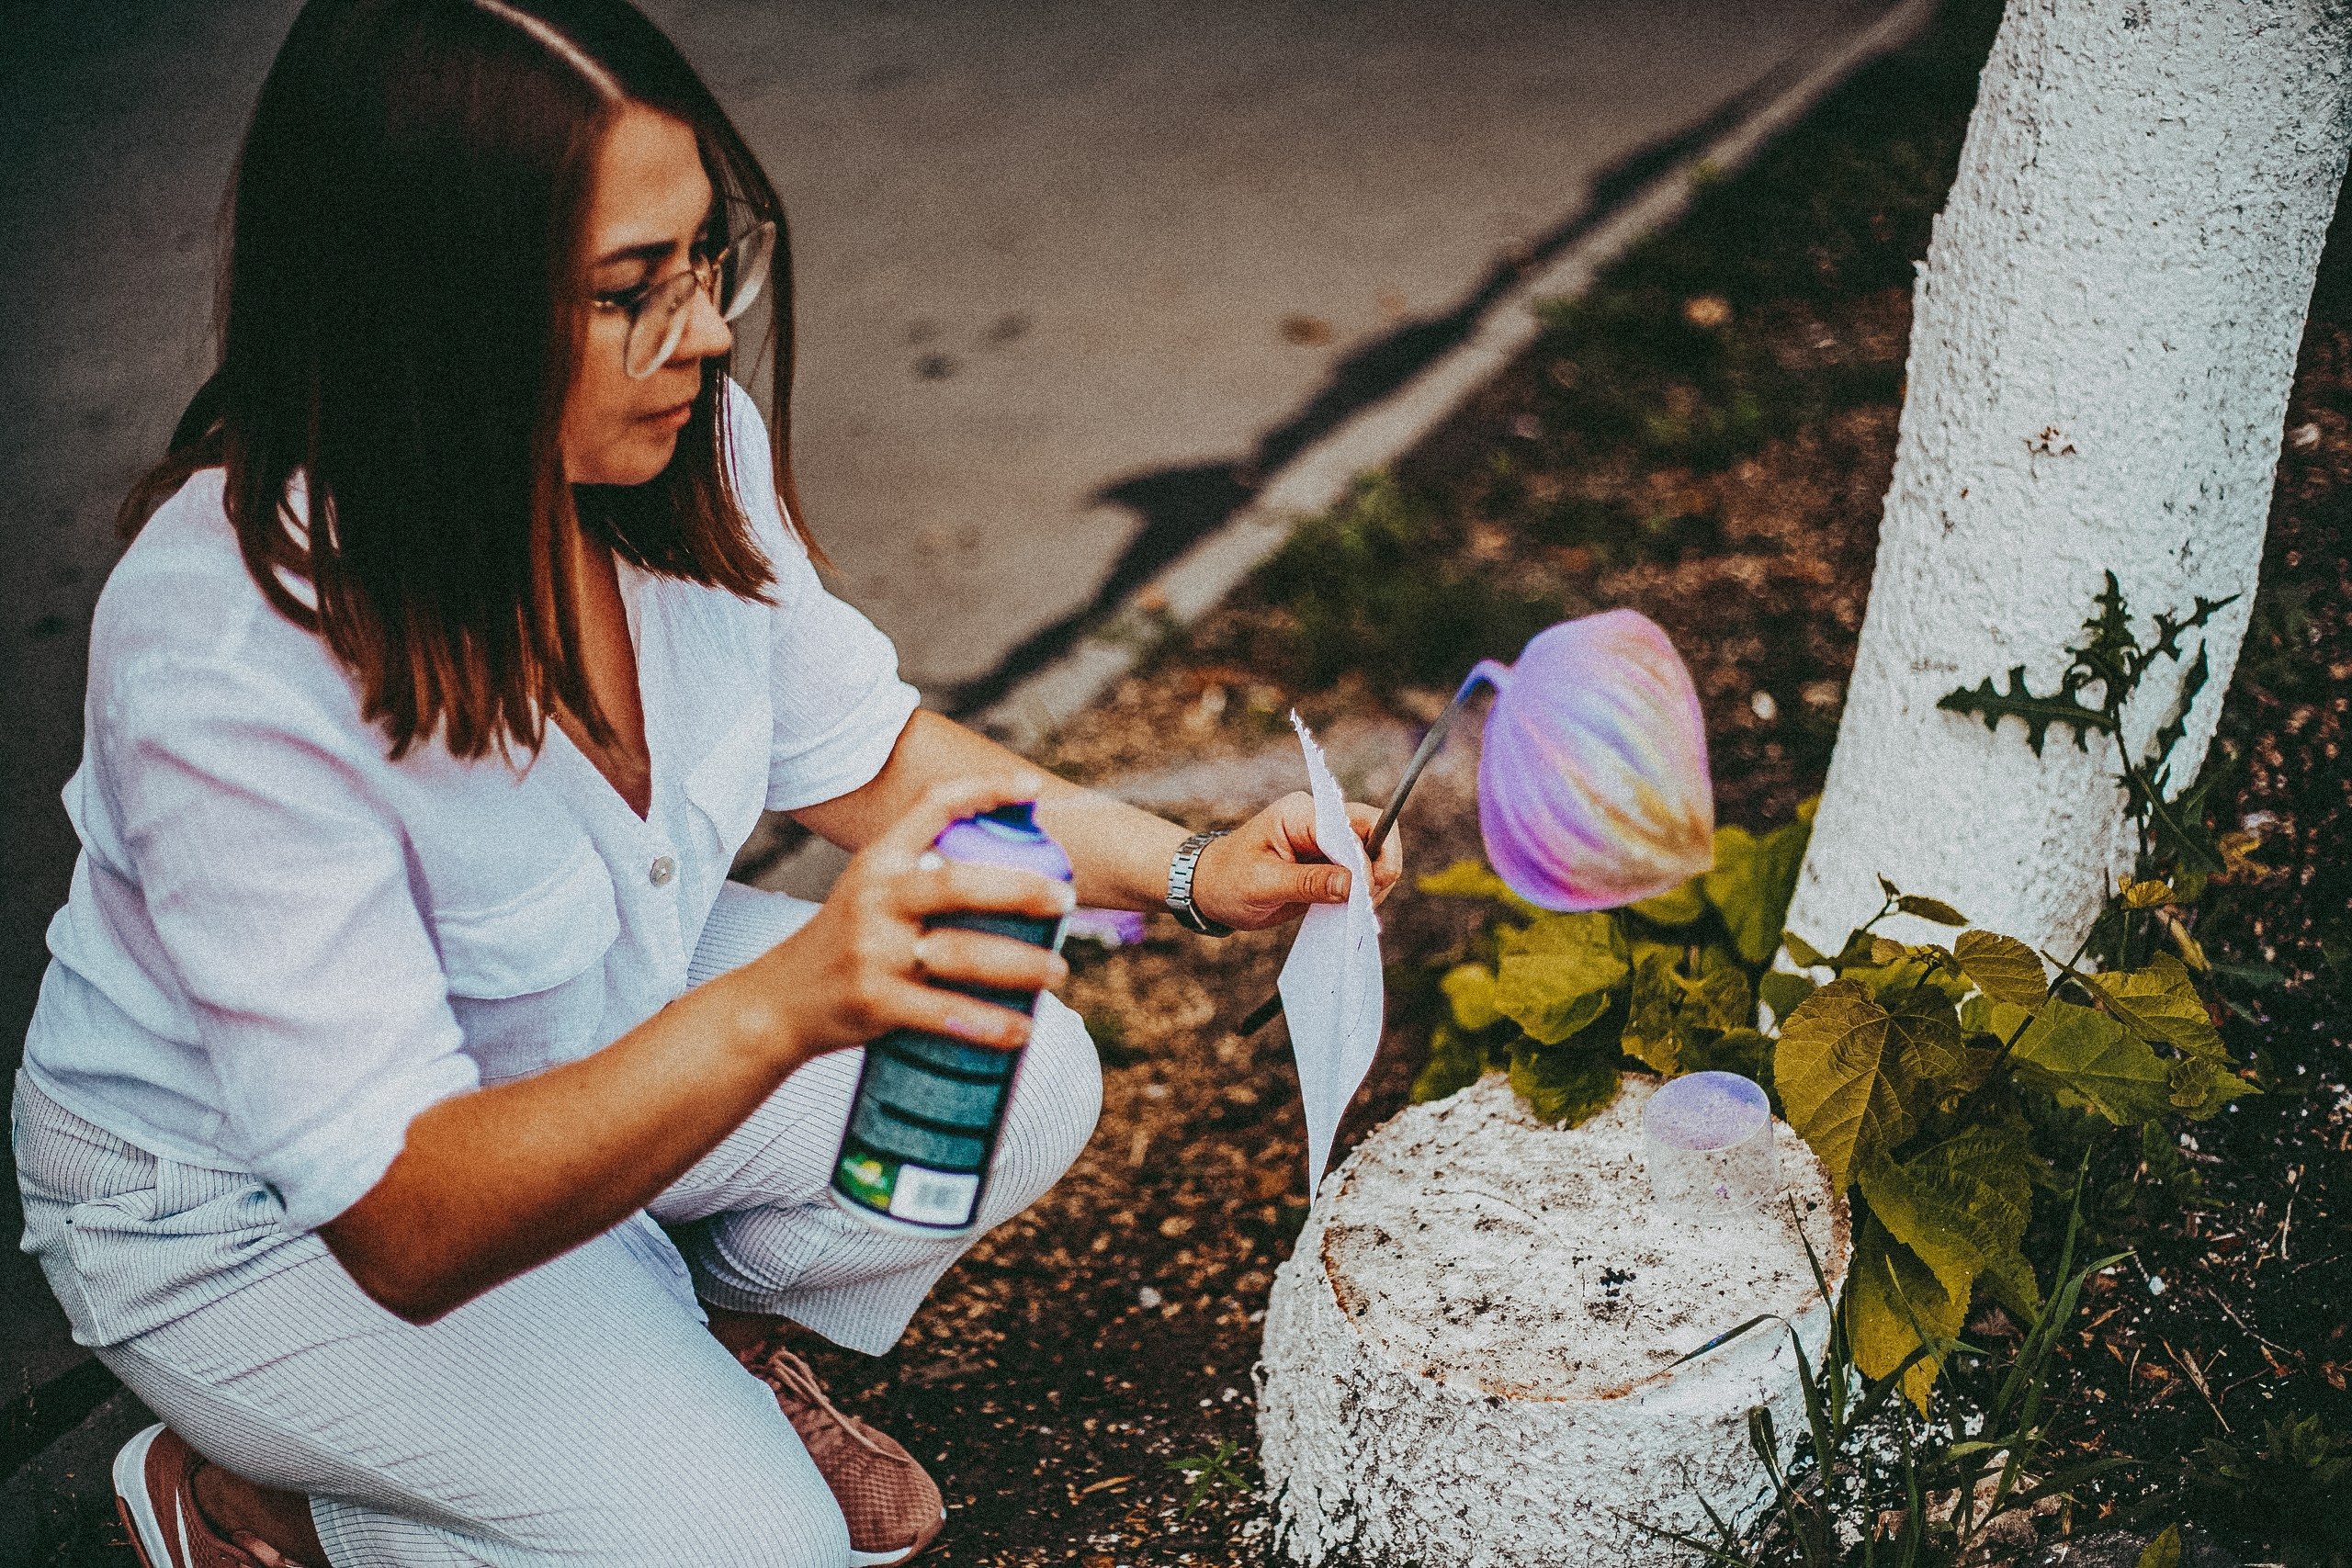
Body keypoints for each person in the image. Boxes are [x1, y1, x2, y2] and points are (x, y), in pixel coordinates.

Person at [10, 3, 1403, 1564]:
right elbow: (402, 1221)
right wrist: (786, 1003)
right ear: (429, 307)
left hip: (585, 1054)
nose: (708, 331)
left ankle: (675, 1365)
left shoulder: (679, 455)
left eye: (701, 264)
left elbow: (871, 757)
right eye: (629, 291)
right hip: (267, 1225)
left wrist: (1198, 872)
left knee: (1019, 1074)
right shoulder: (229, 639)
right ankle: (268, 1501)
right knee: (758, 1550)